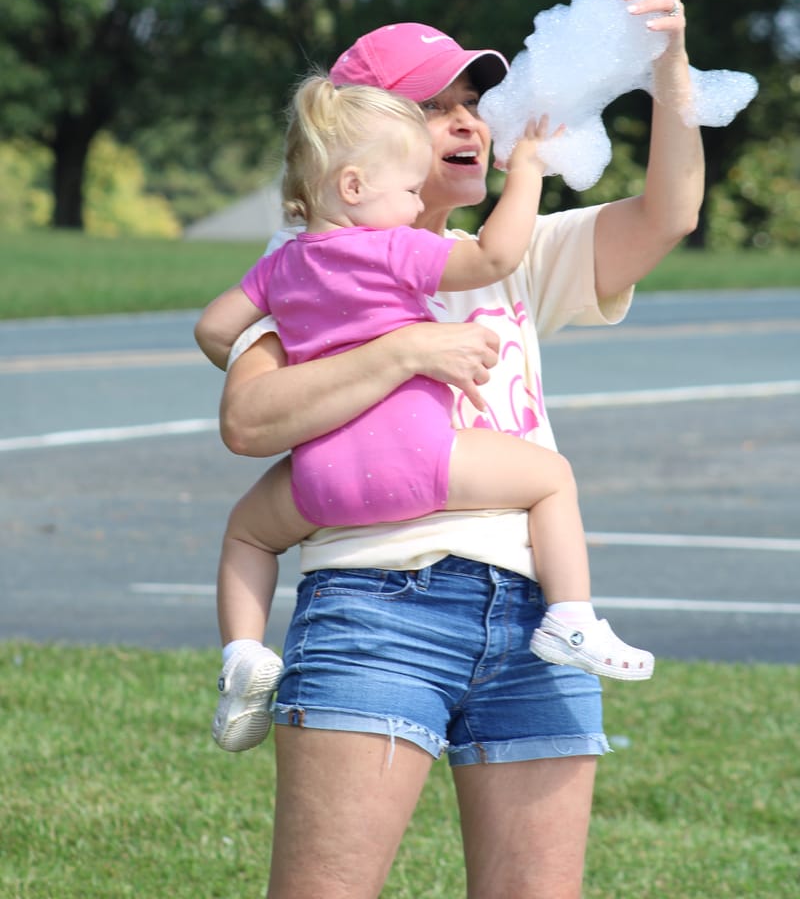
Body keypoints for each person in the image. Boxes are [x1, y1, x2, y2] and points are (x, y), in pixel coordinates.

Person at [212, 0, 704, 899]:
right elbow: (248, 418)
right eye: (438, 108)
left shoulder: (512, 251)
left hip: (536, 616)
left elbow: (671, 212)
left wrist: (671, 64)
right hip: (374, 608)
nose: (473, 120)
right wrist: (405, 352)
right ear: (367, 146)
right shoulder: (314, 275)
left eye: (476, 99)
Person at [195, 74, 654, 749]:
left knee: (247, 534)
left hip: (322, 481)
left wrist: (271, 342)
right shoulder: (394, 248)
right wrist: (526, 169)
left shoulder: (281, 266)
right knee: (550, 476)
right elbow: (497, 254)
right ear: (354, 188)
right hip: (417, 458)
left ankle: (242, 654)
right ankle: (571, 617)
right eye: (409, 190)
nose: (416, 205)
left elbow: (213, 329)